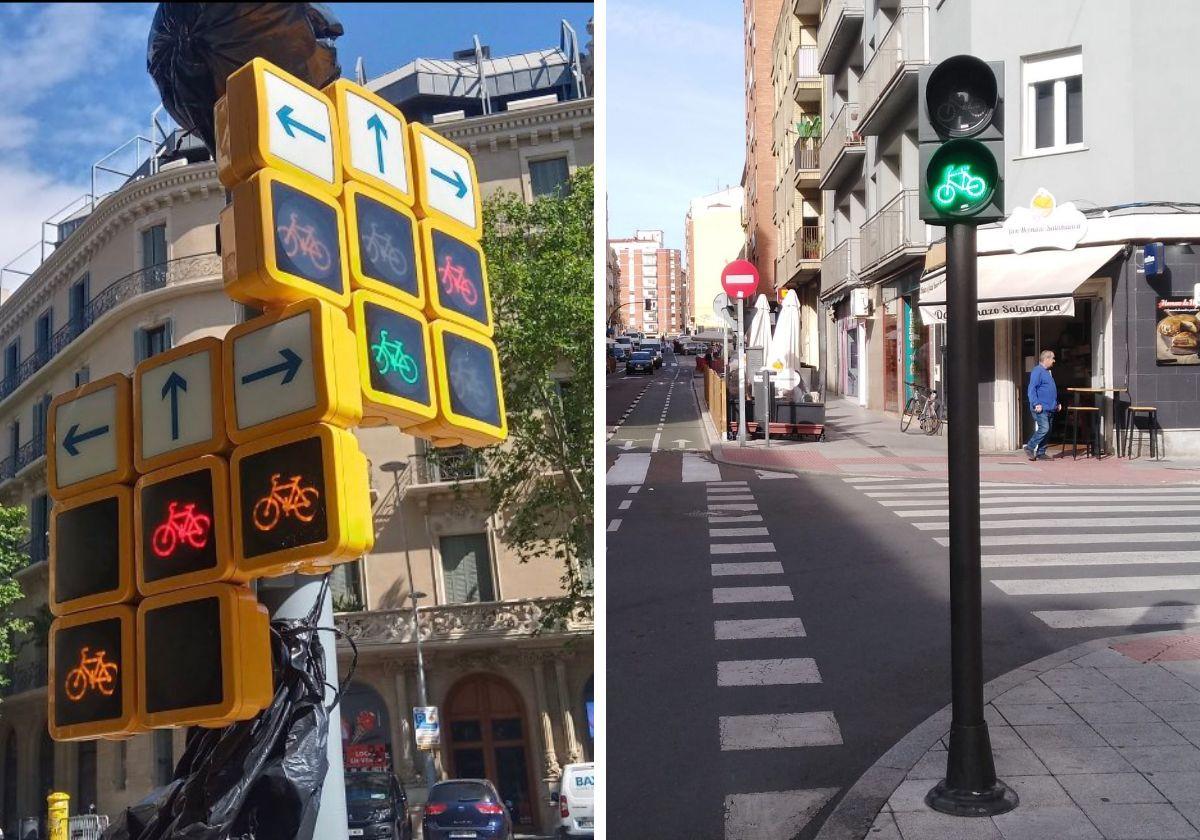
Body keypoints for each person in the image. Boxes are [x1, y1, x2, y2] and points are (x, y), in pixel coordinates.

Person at [1024, 349, 1061, 460]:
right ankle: (1029, 447)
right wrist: (1036, 403)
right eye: (1052, 358)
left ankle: (1041, 452)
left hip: (1050, 407)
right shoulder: (1037, 371)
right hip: (1041, 407)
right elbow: (1032, 389)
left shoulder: (1047, 372)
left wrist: (1057, 403)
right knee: (1044, 428)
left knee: (1048, 431)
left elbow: (1050, 391)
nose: (1054, 361)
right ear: (1046, 359)